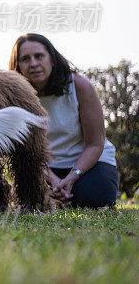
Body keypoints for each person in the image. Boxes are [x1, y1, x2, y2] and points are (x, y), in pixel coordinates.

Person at [9, 33, 119, 208]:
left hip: (88, 162)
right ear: (18, 66)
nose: (34, 64)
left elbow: (95, 144)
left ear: (52, 59)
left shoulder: (80, 86)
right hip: (44, 166)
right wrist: (52, 180)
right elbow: (28, 150)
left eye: (39, 56)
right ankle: (58, 197)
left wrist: (70, 179)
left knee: (92, 199)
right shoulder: (16, 97)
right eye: (25, 59)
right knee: (34, 202)